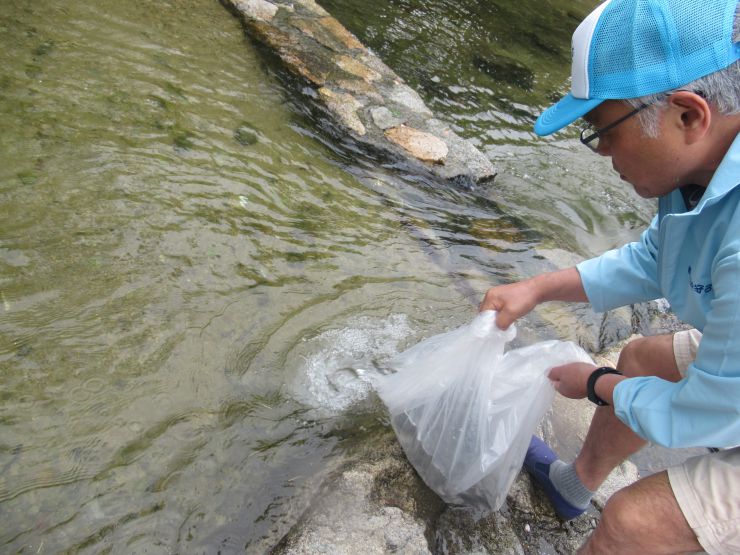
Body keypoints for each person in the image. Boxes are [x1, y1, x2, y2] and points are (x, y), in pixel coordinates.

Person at [479, 0, 740, 553]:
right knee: (643, 358)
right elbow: (657, 259)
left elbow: (707, 414)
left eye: (603, 129)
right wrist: (538, 287)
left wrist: (593, 385)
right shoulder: (700, 174)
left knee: (633, 524)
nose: (601, 153)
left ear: (689, 115)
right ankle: (572, 487)